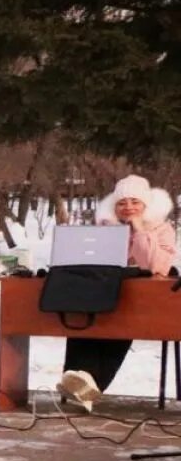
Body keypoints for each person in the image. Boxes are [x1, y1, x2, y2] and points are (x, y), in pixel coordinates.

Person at [59, 174, 177, 411]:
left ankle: (93, 385)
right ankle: (77, 377)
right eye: (122, 203)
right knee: (80, 314)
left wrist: (140, 229)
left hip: (141, 299)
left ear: (147, 204)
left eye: (135, 202)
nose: (128, 208)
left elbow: (154, 265)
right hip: (103, 291)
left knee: (121, 323)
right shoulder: (104, 228)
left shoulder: (163, 230)